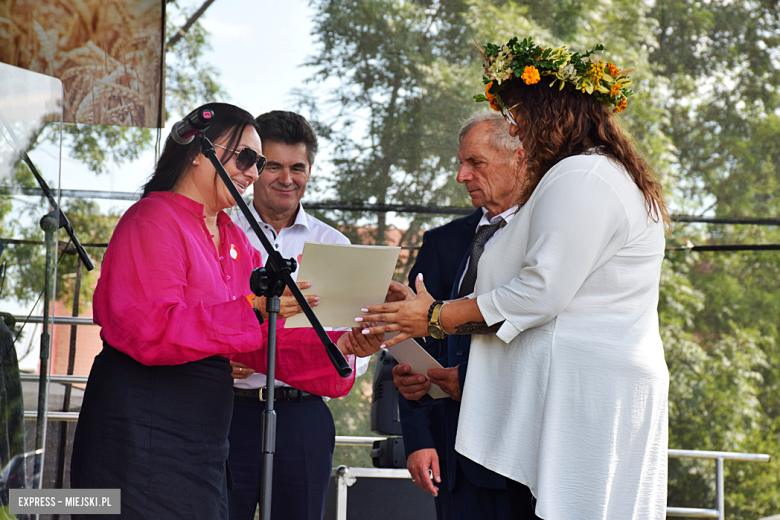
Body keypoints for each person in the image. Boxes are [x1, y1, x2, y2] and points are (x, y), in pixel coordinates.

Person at [359, 37, 670, 520]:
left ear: (549, 115)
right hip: (579, 394)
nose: (516, 130)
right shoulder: (590, 174)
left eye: (517, 117)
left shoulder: (581, 176)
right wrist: (425, 324)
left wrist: (436, 317)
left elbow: (538, 293)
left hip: (584, 397)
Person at [70, 103, 382, 519]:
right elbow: (148, 328)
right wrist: (252, 310)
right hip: (141, 423)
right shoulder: (152, 219)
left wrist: (341, 345)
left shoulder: (233, 236)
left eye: (257, 163)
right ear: (199, 151)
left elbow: (260, 338)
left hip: (203, 435)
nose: (253, 173)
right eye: (248, 158)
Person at [227, 110, 371, 520]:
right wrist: (215, 359)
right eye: (273, 166)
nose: (286, 179)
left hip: (303, 418)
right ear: (253, 167)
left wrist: (356, 353)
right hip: (229, 411)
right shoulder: (221, 231)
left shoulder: (334, 244)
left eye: (298, 167)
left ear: (310, 170)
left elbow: (351, 346)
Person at [395, 112, 523, 520]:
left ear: (519, 158)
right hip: (454, 459)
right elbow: (413, 340)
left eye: (475, 163)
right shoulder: (442, 244)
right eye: (461, 162)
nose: (461, 175)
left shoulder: (545, 240)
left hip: (524, 456)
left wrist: (468, 383)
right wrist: (417, 437)